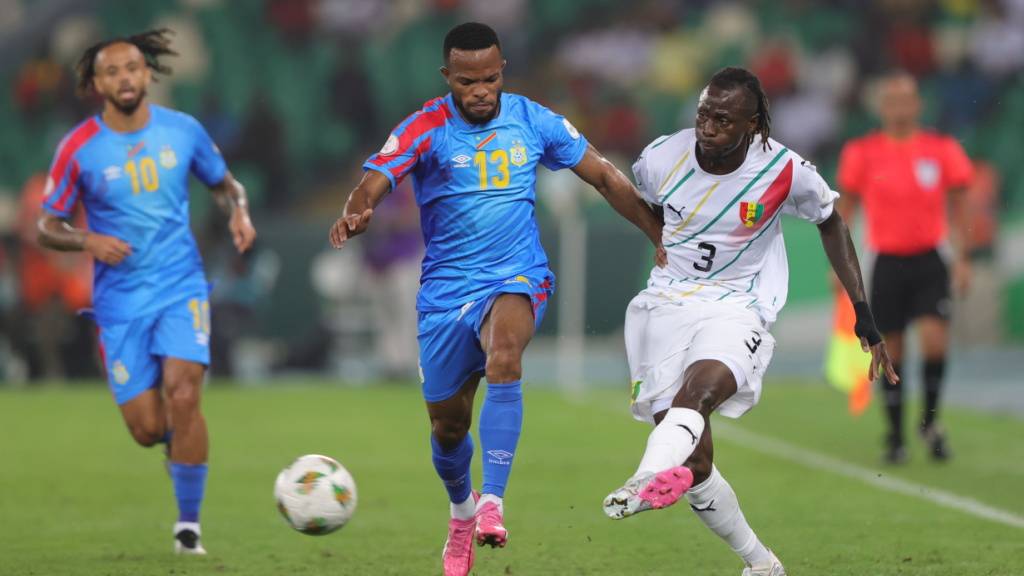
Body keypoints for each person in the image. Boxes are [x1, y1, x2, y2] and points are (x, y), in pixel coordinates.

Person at [328, 22, 664, 576]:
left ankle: (493, 502)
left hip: (516, 276)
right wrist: (358, 209)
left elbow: (603, 176)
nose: (481, 90)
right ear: (447, 77)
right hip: (443, 293)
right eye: (467, 81)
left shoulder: (533, 120)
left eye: (490, 78)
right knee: (448, 427)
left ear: (502, 69)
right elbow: (373, 180)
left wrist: (657, 234)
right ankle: (461, 513)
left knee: (505, 354)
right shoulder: (426, 126)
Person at [601, 67, 897, 576]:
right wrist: (658, 235)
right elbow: (642, 198)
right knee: (695, 466)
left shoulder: (785, 170)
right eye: (702, 114)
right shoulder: (661, 156)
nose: (707, 127)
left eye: (722, 118)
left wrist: (862, 312)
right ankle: (762, 565)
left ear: (753, 124)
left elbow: (831, 221)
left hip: (739, 304)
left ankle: (643, 478)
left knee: (698, 396)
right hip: (667, 304)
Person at [36, 29, 256, 555]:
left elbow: (225, 184)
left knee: (185, 395)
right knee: (146, 427)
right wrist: (87, 238)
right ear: (95, 83)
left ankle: (188, 531)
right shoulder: (78, 148)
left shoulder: (183, 131)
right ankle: (177, 446)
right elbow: (47, 224)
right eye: (111, 72)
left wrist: (239, 213)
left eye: (132, 68)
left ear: (148, 73)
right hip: (120, 303)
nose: (124, 78)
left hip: (181, 286)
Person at [837, 71, 973, 464]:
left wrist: (962, 257)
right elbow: (845, 211)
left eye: (905, 99)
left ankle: (929, 422)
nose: (899, 107)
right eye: (891, 100)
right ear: (881, 107)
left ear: (918, 104)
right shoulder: (861, 152)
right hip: (887, 259)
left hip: (930, 258)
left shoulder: (940, 148)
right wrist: (839, 268)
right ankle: (895, 436)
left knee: (934, 342)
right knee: (891, 351)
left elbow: (962, 201)